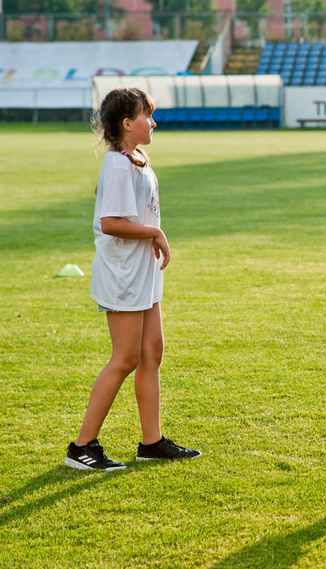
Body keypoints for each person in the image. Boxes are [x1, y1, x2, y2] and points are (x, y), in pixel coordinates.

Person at [64, 87, 201, 471]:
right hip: (123, 274)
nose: (153, 121)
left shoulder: (132, 159)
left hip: (141, 272)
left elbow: (109, 195)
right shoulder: (120, 165)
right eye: (147, 115)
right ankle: (82, 446)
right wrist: (155, 234)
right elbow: (110, 223)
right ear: (127, 124)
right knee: (124, 359)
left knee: (151, 353)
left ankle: (151, 442)